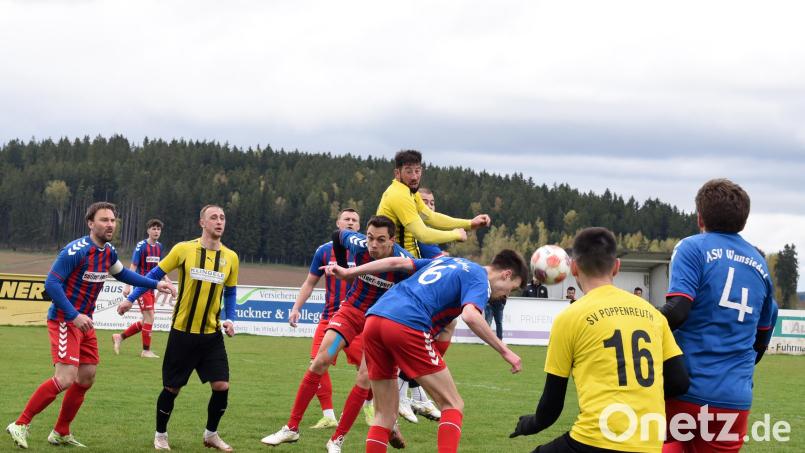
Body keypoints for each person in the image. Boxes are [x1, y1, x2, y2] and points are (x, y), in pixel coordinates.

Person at [5, 202, 175, 449]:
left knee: (86, 377)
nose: (110, 224)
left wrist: (155, 284)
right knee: (65, 378)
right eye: (104, 220)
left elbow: (123, 275)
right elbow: (51, 283)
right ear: (90, 223)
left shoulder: (108, 251)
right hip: (65, 319)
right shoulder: (76, 251)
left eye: (113, 220)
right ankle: (20, 423)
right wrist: (74, 315)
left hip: (85, 322)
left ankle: (61, 431)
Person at [326, 249, 529, 453]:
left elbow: (397, 263)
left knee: (384, 415)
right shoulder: (480, 278)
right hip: (407, 322)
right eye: (511, 288)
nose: (506, 295)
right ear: (506, 274)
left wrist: (349, 272)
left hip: (375, 318)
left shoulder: (449, 262)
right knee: (452, 404)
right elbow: (470, 316)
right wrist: (505, 351)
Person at [509, 227, 689, 453]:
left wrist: (530, 424)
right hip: (648, 443)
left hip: (597, 439)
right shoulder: (653, 314)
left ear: (574, 267)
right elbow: (679, 382)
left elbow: (551, 406)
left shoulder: (570, 317)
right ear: (616, 267)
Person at [261, 216, 423, 453]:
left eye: (380, 240)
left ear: (392, 240)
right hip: (351, 312)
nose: (373, 245)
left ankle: (336, 440)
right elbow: (337, 236)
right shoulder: (358, 244)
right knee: (320, 360)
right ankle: (291, 428)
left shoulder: (404, 264)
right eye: (370, 238)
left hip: (379, 322)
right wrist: (344, 265)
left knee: (364, 378)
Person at [659, 179, 778, 452]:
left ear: (700, 217)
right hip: (733, 399)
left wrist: (637, 318)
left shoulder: (692, 247)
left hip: (684, 391)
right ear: (743, 221)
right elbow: (760, 343)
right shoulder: (760, 264)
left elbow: (678, 311)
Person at [118, 204, 240, 451]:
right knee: (172, 388)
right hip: (183, 333)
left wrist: (230, 318)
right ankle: (160, 434)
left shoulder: (231, 257)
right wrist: (130, 299)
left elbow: (230, 292)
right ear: (202, 223)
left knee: (222, 386)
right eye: (213, 217)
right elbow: (153, 275)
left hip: (211, 335)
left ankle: (211, 434)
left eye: (222, 217)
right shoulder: (183, 249)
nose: (219, 221)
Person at [287, 208, 365, 430]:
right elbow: (309, 282)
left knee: (368, 369)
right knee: (317, 363)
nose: (350, 223)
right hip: (330, 320)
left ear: (359, 227)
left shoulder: (367, 252)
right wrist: (296, 308)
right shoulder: (324, 251)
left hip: (359, 322)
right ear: (338, 224)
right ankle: (329, 415)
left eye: (354, 220)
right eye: (346, 219)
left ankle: (370, 406)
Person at [376, 150, 492, 258]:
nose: (414, 177)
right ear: (397, 173)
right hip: (395, 264)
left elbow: (430, 217)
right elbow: (423, 235)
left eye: (417, 171)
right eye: (409, 171)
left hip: (406, 260)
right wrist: (455, 234)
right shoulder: (399, 194)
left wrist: (470, 223)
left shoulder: (410, 191)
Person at [397, 186, 447, 424]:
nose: (428, 206)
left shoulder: (428, 234)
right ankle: (400, 397)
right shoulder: (416, 232)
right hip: (405, 295)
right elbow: (439, 260)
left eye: (432, 202)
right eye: (423, 202)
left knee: (426, 340)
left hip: (419, 295)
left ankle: (417, 396)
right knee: (413, 345)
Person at [113, 218, 166, 358]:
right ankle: (146, 351)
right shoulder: (141, 246)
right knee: (150, 317)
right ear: (148, 230)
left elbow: (161, 267)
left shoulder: (159, 247)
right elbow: (133, 266)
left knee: (145, 321)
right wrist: (127, 285)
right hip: (141, 286)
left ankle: (120, 337)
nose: (156, 231)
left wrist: (167, 281)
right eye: (153, 228)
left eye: (158, 229)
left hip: (152, 287)